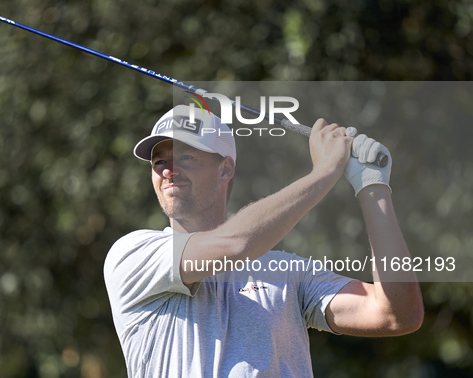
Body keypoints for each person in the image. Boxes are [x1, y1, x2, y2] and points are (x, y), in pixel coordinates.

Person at [104, 104, 423, 377]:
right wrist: (325, 172)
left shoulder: (287, 272)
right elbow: (235, 244)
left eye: (186, 157)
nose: (169, 170)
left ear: (224, 169)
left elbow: (397, 314)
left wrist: (373, 187)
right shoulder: (133, 254)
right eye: (159, 161)